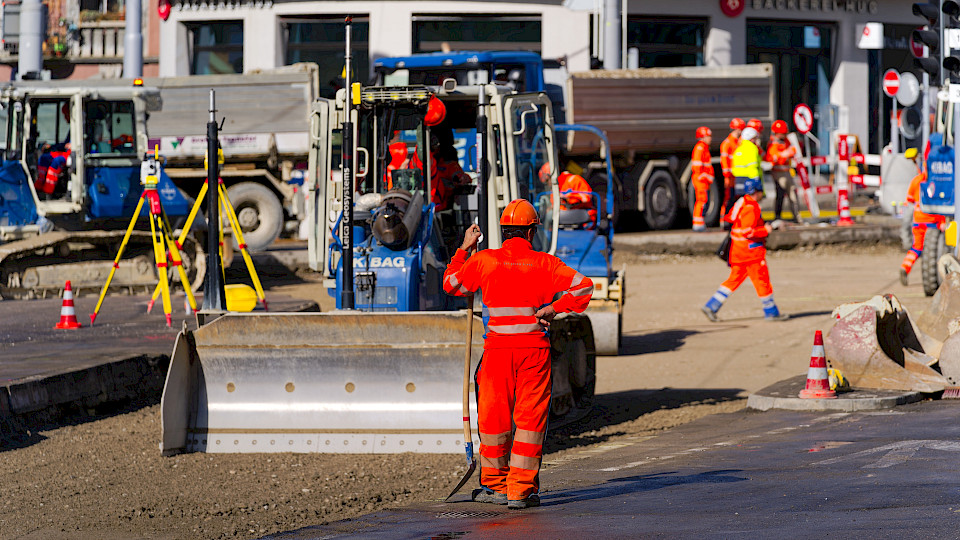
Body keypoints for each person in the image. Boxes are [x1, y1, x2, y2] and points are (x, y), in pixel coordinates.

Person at [442, 200, 594, 510]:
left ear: (503, 230)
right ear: (531, 231)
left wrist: (463, 249)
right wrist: (554, 308)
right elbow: (583, 287)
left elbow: (451, 284)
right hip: (533, 352)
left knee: (494, 420)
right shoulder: (544, 263)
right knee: (530, 421)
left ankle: (495, 485)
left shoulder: (485, 260)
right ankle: (520, 491)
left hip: (497, 351)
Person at [702, 175, 787, 322]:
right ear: (757, 192)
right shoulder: (751, 208)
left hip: (738, 252)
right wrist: (766, 230)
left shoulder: (742, 204)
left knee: (733, 281)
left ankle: (711, 305)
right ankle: (771, 312)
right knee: (762, 281)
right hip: (751, 253)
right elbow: (749, 232)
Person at [900, 146, 945, 285]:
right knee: (936, 249)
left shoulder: (916, 181)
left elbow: (909, 202)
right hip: (934, 221)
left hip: (918, 220)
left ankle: (905, 267)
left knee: (917, 248)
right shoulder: (939, 182)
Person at [538, 163, 597, 228]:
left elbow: (587, 198)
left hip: (582, 211)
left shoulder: (574, 180)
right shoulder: (556, 187)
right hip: (567, 212)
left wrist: (568, 197)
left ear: (551, 176)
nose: (548, 185)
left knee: (550, 215)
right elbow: (556, 204)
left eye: (547, 181)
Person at [764, 120, 798, 222]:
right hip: (778, 173)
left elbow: (793, 150)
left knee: (793, 194)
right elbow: (773, 159)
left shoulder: (786, 141)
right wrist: (783, 155)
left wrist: (784, 154)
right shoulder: (772, 144)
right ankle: (777, 216)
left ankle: (796, 216)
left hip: (787, 172)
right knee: (780, 195)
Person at [720, 118, 744, 220]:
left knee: (735, 199)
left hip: (736, 177)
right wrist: (727, 176)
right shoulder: (727, 143)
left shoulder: (737, 142)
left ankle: (732, 219)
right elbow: (725, 161)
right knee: (728, 199)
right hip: (730, 178)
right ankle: (724, 219)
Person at [691, 126, 714, 232]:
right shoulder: (700, 148)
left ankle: (700, 223)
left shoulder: (704, 148)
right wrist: (705, 176)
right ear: (703, 137)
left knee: (704, 201)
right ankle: (698, 224)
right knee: (702, 201)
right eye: (708, 136)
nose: (710, 138)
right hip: (701, 180)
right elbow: (698, 167)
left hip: (704, 181)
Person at [731, 127, 762, 200]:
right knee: (751, 202)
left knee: (742, 201)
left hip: (738, 179)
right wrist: (756, 179)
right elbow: (753, 165)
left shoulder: (739, 148)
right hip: (750, 178)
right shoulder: (752, 148)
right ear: (751, 138)